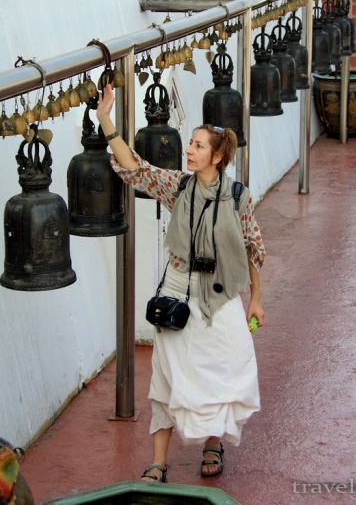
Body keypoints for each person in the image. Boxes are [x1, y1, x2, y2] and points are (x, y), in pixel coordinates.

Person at [97, 83, 266, 483]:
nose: (189, 150)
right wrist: (105, 120)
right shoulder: (179, 186)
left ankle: (213, 442)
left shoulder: (239, 198)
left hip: (221, 296)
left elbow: (253, 250)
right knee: (167, 374)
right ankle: (158, 462)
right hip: (177, 292)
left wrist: (256, 299)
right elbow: (136, 168)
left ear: (219, 156)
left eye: (198, 146)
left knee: (221, 371)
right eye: (189, 143)